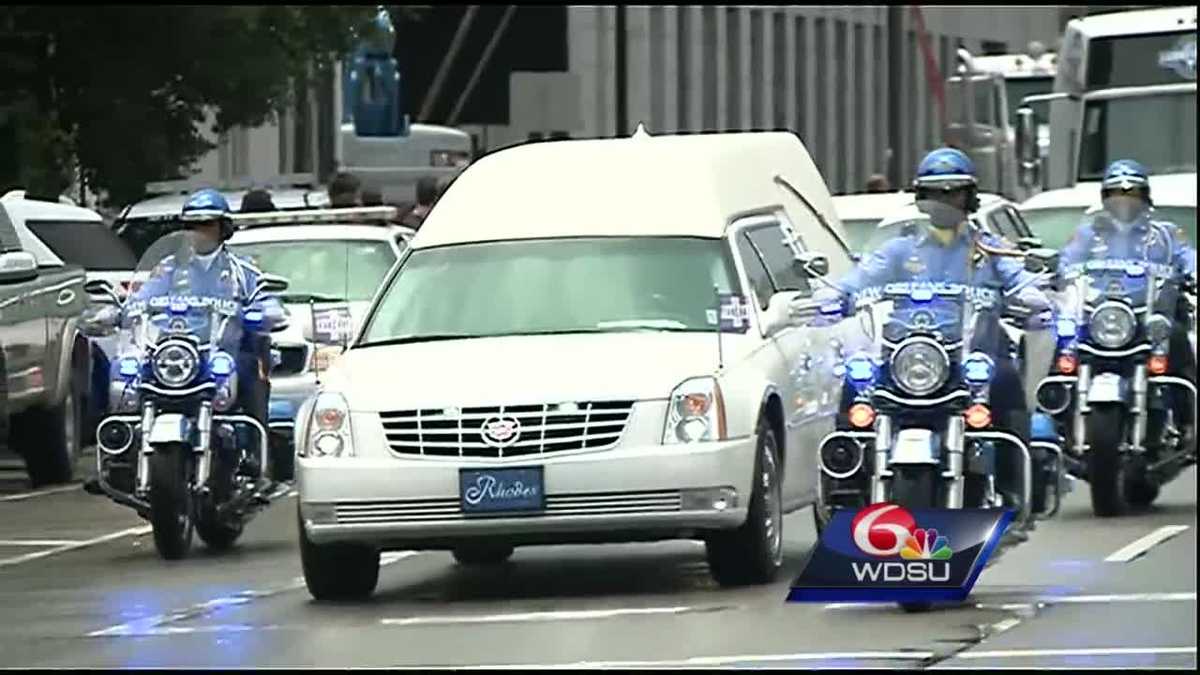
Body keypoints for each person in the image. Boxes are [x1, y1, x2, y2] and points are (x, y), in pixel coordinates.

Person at [817, 147, 1053, 513]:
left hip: (973, 353)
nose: (944, 202)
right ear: (921, 199)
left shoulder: (988, 249)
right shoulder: (899, 250)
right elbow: (858, 280)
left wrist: (1033, 299)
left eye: (952, 193)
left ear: (969, 198)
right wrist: (830, 296)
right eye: (935, 194)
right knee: (856, 389)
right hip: (906, 357)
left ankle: (1014, 487)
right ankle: (845, 483)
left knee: (1005, 379)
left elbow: (1020, 281)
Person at [131, 189, 286, 481]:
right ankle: (123, 450)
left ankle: (254, 454)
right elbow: (140, 299)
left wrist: (264, 313)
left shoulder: (243, 270)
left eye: (206, 225)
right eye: (191, 226)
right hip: (178, 351)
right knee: (131, 375)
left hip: (224, 350)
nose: (198, 233)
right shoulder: (168, 270)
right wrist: (121, 312)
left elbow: (266, 300)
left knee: (248, 368)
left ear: (223, 229)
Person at [1059, 159, 1197, 439]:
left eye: (1131, 194)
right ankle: (1056, 413)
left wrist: (1193, 272)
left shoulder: (1165, 234)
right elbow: (1067, 260)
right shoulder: (1089, 234)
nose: (1124, 202)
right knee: (1065, 341)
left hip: (1149, 313)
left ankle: (1187, 419)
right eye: (1116, 195)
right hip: (1100, 314)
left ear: (1144, 197)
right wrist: (1057, 274)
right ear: (1105, 198)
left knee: (1178, 337)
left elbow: (1187, 256)